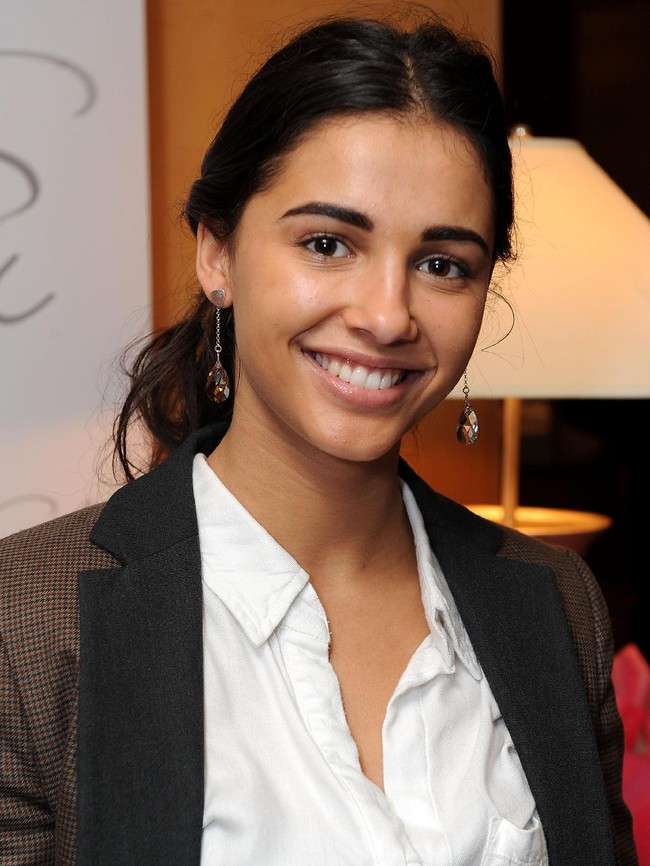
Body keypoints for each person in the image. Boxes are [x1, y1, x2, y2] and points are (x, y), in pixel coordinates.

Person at [0, 13, 637, 866]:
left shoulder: (558, 600)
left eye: (443, 263)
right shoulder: (25, 621)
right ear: (217, 254)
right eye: (328, 243)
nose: (385, 315)